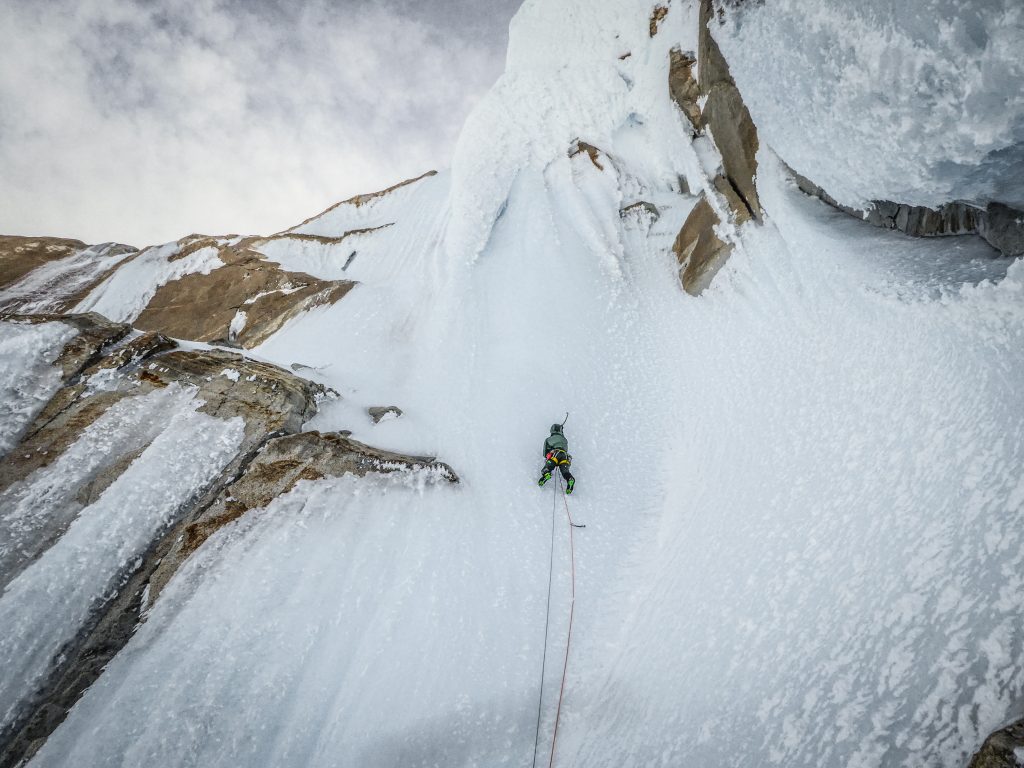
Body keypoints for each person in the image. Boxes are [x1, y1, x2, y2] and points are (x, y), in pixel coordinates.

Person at [538, 423, 575, 493]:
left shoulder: (549, 439)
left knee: (547, 468)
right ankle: (570, 479)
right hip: (565, 455)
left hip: (555, 453)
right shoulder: (565, 440)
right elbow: (565, 449)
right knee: (565, 472)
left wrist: (548, 456)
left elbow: (545, 453)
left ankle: (546, 474)